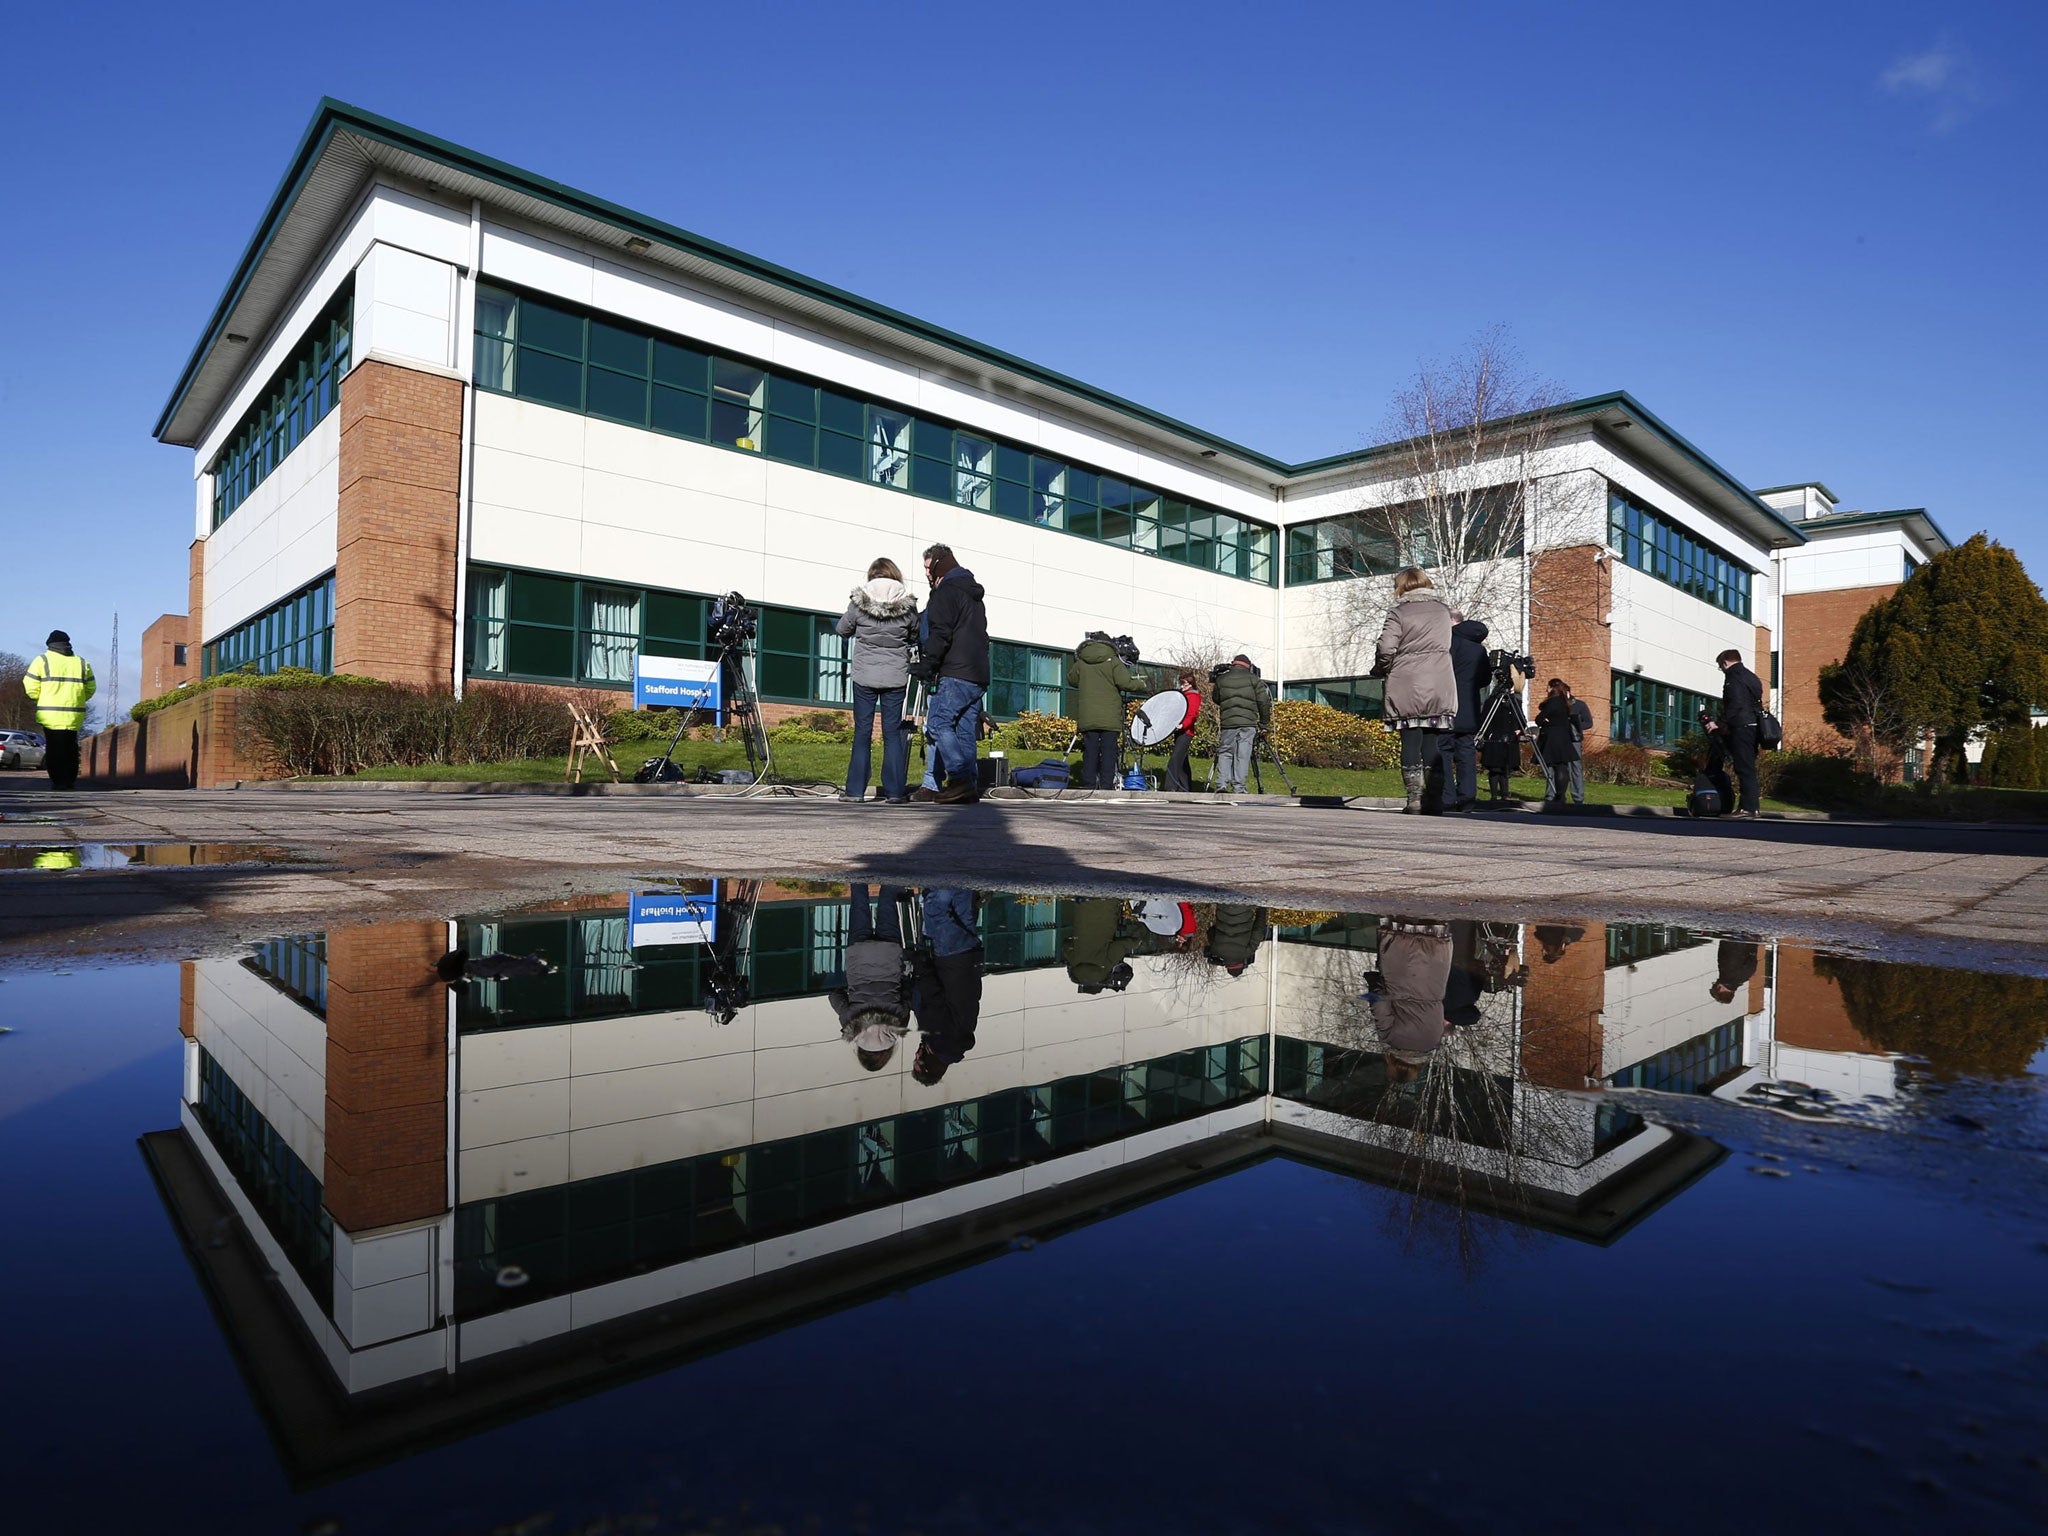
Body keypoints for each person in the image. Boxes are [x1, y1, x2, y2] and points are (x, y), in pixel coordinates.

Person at [1372, 569, 1457, 814]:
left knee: (1410, 739)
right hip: (1439, 680)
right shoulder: (1443, 611)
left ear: (1401, 587)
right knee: (1432, 740)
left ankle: (1415, 799)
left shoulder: (1398, 612)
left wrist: (1381, 667)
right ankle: (1435, 799)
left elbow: (1386, 648)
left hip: (1407, 679)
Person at [910, 544, 990, 805]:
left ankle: (960, 777)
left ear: (937, 566)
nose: (925, 574)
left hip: (955, 673)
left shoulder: (945, 593)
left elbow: (940, 635)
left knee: (937, 724)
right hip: (977, 675)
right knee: (965, 731)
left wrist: (926, 665)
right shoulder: (973, 595)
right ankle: (967, 788)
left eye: (926, 568)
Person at [835, 558, 920, 803]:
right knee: (892, 734)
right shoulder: (908, 607)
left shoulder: (858, 603)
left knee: (862, 732)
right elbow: (914, 633)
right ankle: (894, 792)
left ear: (872, 576)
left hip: (864, 676)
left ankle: (854, 792)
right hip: (895, 676)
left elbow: (842, 630)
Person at [832, 884, 913, 1069]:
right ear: (861, 1051)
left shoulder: (899, 1024)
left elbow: (908, 995)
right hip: (858, 956)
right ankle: (859, 875)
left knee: (888, 906)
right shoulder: (850, 1024)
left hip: (889, 955)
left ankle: (892, 871)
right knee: (859, 905)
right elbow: (834, 996)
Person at [1366, 918, 1455, 1080]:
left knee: (1435, 915)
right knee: (1402, 915)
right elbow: (1379, 1003)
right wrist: (1373, 985)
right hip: (1401, 975)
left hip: (1434, 976)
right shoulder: (1390, 1039)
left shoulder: (1434, 1042)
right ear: (1392, 1065)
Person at [910, 887, 984, 1083]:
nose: (916, 1055)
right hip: (950, 961)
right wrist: (919, 965)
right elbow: (934, 998)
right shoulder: (938, 1040)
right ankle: (943, 868)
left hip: (968, 960)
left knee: (962, 900)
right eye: (918, 1061)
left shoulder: (959, 1039)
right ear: (927, 1063)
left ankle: (964, 867)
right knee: (935, 908)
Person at [1067, 633, 1143, 789]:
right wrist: (1141, 684)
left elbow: (1072, 680)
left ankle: (1088, 784)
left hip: (1088, 715)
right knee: (1109, 751)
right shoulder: (1113, 661)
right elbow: (1125, 683)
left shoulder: (1081, 661)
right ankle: (1106, 785)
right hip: (1109, 716)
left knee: (1090, 750)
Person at [22, 630, 95, 791]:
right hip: (74, 714)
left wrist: (41, 697)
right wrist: (78, 699)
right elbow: (91, 688)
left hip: (50, 713)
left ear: (49, 644)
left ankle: (58, 781)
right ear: (68, 643)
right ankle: (70, 780)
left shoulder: (42, 660)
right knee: (71, 747)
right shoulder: (81, 662)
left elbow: (30, 686)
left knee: (54, 747)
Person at [1440, 616, 1491, 813]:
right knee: (1466, 753)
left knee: (1443, 750)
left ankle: (1447, 796)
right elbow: (1485, 679)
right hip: (1470, 707)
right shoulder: (1479, 649)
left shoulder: (1451, 643)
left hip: (1448, 703)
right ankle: (1467, 798)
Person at [1706, 647, 1764, 819]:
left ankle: (1748, 808)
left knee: (1743, 768)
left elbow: (1735, 704)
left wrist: (1719, 723)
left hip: (1742, 727)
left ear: (1725, 662)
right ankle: (1752, 808)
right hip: (1753, 726)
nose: (1722, 670)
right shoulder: (1751, 677)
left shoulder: (1734, 677)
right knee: (1748, 767)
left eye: (1720, 666)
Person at [1212, 654, 1270, 793]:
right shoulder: (1254, 679)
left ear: (1233, 664)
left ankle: (1221, 784)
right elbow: (1264, 702)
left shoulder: (1222, 679)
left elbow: (1216, 698)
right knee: (1242, 754)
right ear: (1248, 666)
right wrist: (1264, 723)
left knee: (1225, 752)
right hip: (1247, 723)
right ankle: (1239, 787)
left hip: (1228, 722)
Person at [1533, 678, 1593, 805]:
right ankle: (1552, 794)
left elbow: (1588, 722)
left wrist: (1575, 726)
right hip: (1562, 738)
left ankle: (1577, 797)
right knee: (1555, 766)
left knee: (1574, 768)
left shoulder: (1579, 705)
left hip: (1572, 738)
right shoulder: (1562, 704)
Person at [1063, 897, 1141, 992]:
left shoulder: (1105, 965)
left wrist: (1136, 942)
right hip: (1083, 906)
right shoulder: (1074, 962)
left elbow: (1120, 945)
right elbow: (1066, 944)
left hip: (1108, 907)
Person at [1163, 671, 1203, 792]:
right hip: (1181, 731)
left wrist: (1183, 725)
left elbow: (1192, 715)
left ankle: (1170, 787)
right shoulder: (1184, 696)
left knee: (1175, 760)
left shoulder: (1193, 696)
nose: (1181, 686)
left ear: (1190, 684)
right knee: (1182, 761)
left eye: (1183, 684)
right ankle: (1184, 787)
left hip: (1185, 732)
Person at [1204, 903, 1269, 977]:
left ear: (1242, 964)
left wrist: (1262, 908)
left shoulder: (1248, 952)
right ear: (1227, 966)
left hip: (1245, 907)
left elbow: (1258, 930)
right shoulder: (1215, 950)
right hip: (1223, 906)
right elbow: (1210, 931)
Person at [1710, 937, 1760, 1006]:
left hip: (1750, 937)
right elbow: (1726, 950)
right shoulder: (1725, 973)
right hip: (1734, 935)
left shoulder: (1747, 976)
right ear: (1720, 989)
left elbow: (1753, 949)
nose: (1716, 981)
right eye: (1715, 984)